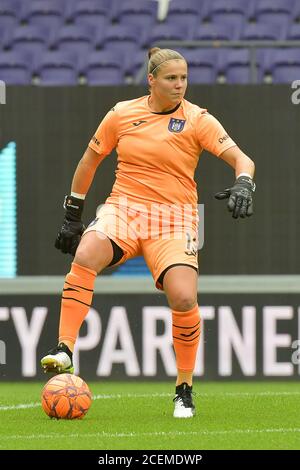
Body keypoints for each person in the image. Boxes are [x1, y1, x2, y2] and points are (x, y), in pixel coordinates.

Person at [41, 47, 255, 418]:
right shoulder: (121, 114)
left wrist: (244, 183)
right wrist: (73, 213)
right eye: (172, 78)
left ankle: (183, 389)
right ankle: (65, 348)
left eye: (184, 78)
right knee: (86, 253)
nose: (180, 85)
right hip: (124, 208)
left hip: (173, 219)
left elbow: (242, 158)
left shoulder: (197, 119)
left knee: (184, 298)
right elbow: (90, 160)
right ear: (151, 80)